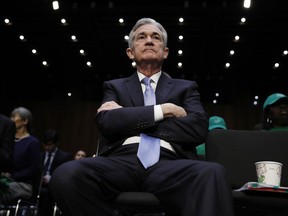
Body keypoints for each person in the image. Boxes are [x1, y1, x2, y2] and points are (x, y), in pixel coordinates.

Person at [50, 17, 234, 216]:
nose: (149, 40)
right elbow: (107, 123)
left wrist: (128, 117)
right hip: (120, 163)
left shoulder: (186, 87)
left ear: (165, 52)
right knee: (65, 175)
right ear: (130, 52)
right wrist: (163, 110)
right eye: (141, 37)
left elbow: (197, 128)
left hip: (170, 164)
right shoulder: (114, 86)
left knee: (213, 173)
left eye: (155, 37)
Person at [0, 107, 41, 205]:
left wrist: (11, 175)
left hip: (22, 184)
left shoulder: (33, 143)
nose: (11, 120)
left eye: (14, 117)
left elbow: (32, 170)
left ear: (25, 121)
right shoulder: (7, 140)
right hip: (4, 180)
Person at [39, 129, 72, 216]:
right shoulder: (39, 156)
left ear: (56, 143)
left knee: (45, 193)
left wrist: (51, 179)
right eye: (44, 144)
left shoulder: (64, 157)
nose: (47, 147)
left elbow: (65, 177)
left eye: (50, 144)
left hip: (54, 188)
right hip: (39, 186)